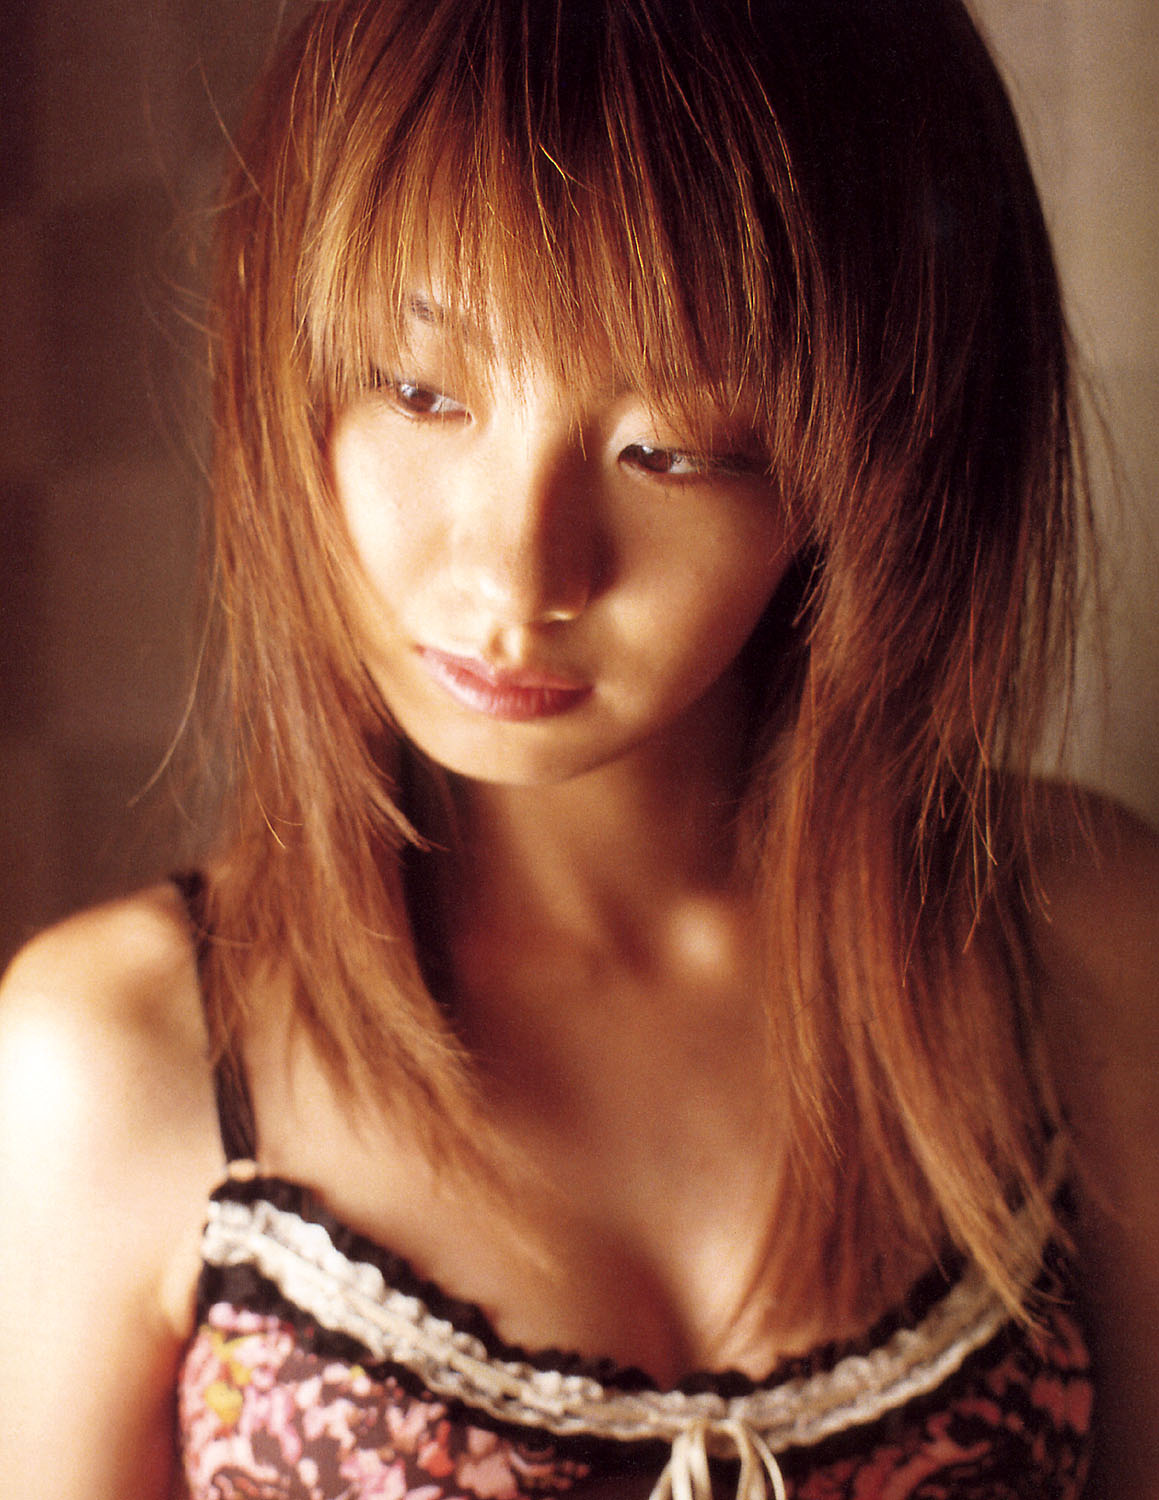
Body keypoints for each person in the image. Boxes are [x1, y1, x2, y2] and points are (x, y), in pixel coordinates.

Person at [1, 0, 1156, 1495]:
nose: (517, 573)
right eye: (422, 391)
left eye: (672, 448)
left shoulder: (1082, 944)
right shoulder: (113, 1060)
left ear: (876, 459)